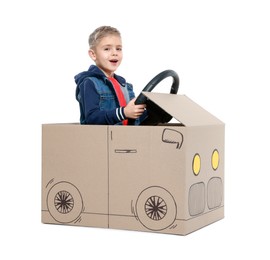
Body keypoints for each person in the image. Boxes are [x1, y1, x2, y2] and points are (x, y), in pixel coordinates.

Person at [75, 26, 146, 125]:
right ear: (93, 54)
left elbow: (134, 117)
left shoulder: (125, 85)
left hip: (127, 136)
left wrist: (147, 111)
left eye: (118, 49)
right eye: (107, 49)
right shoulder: (90, 83)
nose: (114, 53)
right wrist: (123, 112)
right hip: (104, 138)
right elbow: (92, 118)